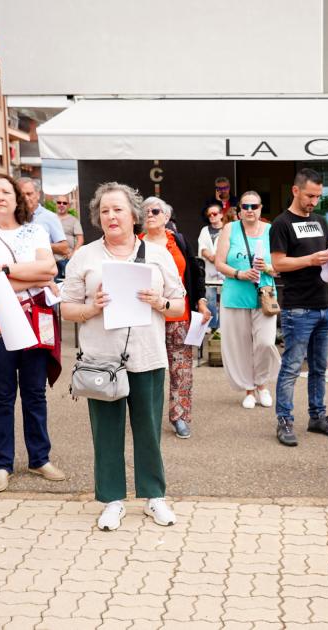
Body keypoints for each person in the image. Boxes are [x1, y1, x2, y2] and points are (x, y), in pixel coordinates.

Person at [61, 182, 183, 530]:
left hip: (147, 356)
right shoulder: (85, 256)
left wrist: (159, 303)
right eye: (104, 211)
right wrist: (91, 307)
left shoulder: (158, 254)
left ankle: (154, 497)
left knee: (148, 430)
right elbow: (66, 309)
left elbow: (179, 303)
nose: (111, 216)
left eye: (117, 209)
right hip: (102, 359)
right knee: (106, 433)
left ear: (134, 215)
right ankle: (112, 500)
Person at [0, 174, 65, 493]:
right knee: (2, 394)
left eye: (7, 191)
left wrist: (4, 272)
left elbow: (50, 270)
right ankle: (2, 464)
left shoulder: (35, 230)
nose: (1, 196)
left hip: (36, 318)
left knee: (35, 392)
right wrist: (31, 278)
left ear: (18, 198)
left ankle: (39, 458)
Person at [271, 168, 328, 446]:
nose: (314, 201)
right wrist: (311, 260)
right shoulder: (281, 223)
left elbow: (325, 258)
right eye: (309, 195)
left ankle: (317, 417)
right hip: (298, 307)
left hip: (323, 303)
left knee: (318, 368)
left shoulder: (320, 221)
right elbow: (278, 263)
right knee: (291, 367)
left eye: (318, 196)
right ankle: (285, 421)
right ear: (295, 190)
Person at [142, 196, 211, 439]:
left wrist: (201, 302)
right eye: (145, 211)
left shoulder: (178, 242)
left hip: (179, 315)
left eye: (155, 211)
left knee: (181, 369)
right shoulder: (136, 245)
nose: (149, 214)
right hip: (148, 317)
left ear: (167, 217)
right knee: (148, 369)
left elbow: (196, 272)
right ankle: (146, 417)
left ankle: (180, 416)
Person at [215, 191, 281, 408]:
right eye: (246, 206)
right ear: (239, 209)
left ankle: (262, 383)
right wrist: (239, 273)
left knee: (265, 342)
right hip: (235, 295)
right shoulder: (230, 229)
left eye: (254, 206)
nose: (250, 210)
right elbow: (219, 263)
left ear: (261, 208)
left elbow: (281, 267)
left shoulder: (272, 230)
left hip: (265, 296)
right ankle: (250, 389)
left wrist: (268, 268)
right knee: (241, 345)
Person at [17, 177, 70, 262]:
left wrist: (37, 246)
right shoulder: (13, 217)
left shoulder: (49, 217)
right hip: (18, 271)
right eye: (21, 195)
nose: (25, 198)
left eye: (29, 194)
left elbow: (64, 248)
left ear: (38, 195)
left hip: (42, 271)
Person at [197, 202, 226, 331]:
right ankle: (212, 324)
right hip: (209, 270)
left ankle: (222, 326)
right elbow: (202, 247)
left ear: (221, 214)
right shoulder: (205, 230)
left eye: (214, 214)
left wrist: (218, 258)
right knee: (210, 297)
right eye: (209, 215)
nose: (212, 216)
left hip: (224, 270)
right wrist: (211, 257)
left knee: (225, 298)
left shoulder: (227, 229)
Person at [55, 194, 85, 280]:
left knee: (67, 284)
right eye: (59, 202)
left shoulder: (74, 220)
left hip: (66, 259)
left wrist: (74, 253)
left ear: (68, 205)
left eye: (64, 203)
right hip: (51, 260)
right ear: (56, 204)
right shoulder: (51, 218)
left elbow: (80, 239)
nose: (61, 205)